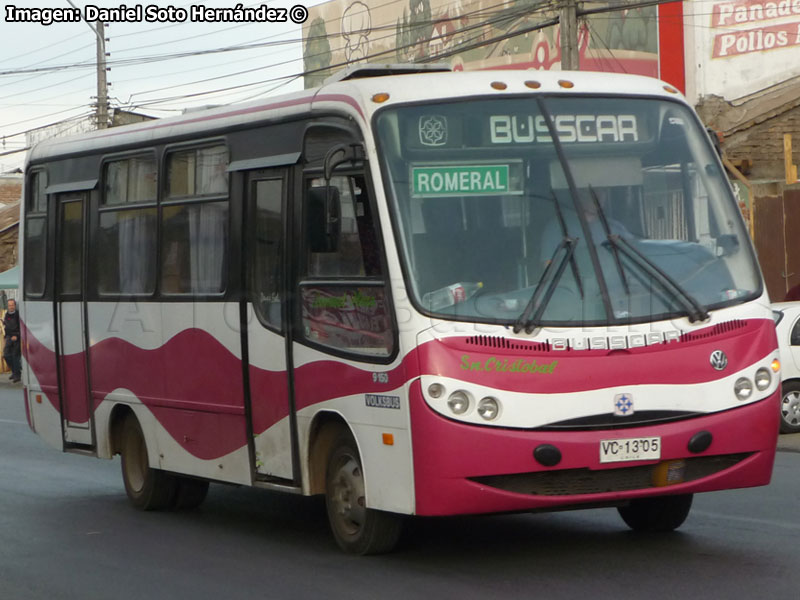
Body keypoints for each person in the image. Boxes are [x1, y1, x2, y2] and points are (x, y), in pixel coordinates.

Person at [3, 299, 21, 383]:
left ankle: (17, 375)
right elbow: (6, 326)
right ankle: (15, 371)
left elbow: (21, 327)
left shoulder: (18, 314)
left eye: (12, 305)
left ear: (15, 305)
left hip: (16, 337)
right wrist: (5, 336)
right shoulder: (6, 314)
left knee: (15, 356)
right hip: (8, 337)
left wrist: (17, 336)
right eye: (9, 305)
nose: (11, 307)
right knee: (6, 355)